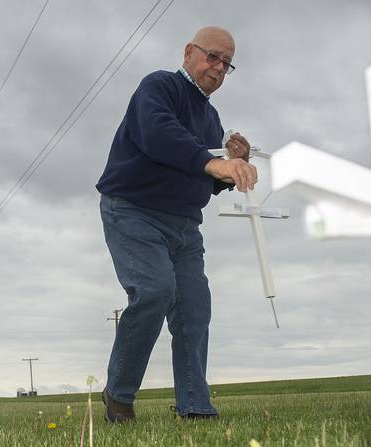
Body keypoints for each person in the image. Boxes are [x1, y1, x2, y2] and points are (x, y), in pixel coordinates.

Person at [96, 26, 257, 422]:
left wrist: (230, 164)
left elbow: (201, 174)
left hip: (184, 225)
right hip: (132, 210)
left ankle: (195, 405)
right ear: (189, 52)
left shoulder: (211, 116)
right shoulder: (159, 87)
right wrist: (214, 162)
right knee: (154, 290)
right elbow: (160, 136)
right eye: (212, 56)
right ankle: (118, 395)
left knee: (194, 306)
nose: (218, 67)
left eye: (226, 63)